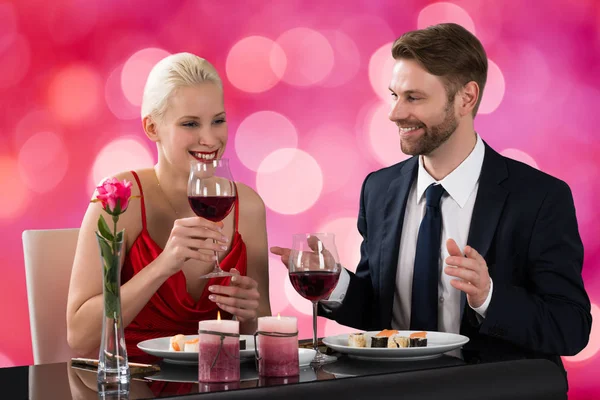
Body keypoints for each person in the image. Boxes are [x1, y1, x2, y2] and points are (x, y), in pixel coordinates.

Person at [271, 23, 591, 371]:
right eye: (394, 95)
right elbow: (376, 313)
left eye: (414, 98)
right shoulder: (379, 190)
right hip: (394, 391)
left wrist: (488, 297)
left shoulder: (540, 198)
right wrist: (333, 281)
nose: (394, 113)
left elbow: (571, 329)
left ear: (466, 98)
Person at [67, 53, 271, 357]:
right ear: (152, 128)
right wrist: (162, 266)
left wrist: (249, 313)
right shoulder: (119, 197)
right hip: (133, 383)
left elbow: (259, 332)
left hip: (219, 383)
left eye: (218, 120)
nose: (210, 138)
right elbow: (80, 336)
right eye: (190, 124)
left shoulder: (248, 206)